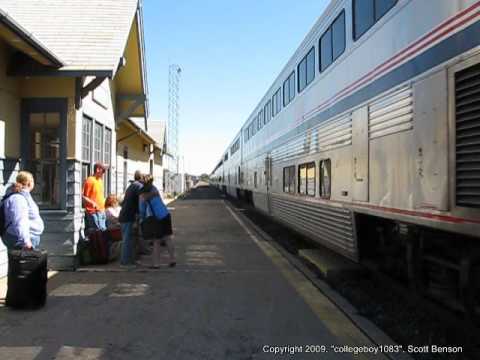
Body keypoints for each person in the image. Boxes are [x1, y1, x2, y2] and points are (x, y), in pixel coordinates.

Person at [139, 174, 175, 268]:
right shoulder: (155, 189)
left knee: (156, 241)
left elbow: (142, 210)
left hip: (156, 218)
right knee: (167, 238)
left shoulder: (143, 193)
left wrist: (142, 219)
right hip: (165, 214)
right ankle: (172, 259)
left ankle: (156, 264)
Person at [2, 171, 44, 250]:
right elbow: (20, 220)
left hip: (25, 237)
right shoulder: (18, 198)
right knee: (22, 262)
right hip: (22, 240)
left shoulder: (24, 195)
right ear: (29, 183)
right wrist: (26, 241)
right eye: (33, 180)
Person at [119, 170, 143, 266]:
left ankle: (131, 260)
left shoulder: (131, 186)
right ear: (141, 178)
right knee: (127, 239)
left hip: (125, 215)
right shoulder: (138, 187)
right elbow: (141, 201)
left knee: (130, 239)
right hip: (128, 216)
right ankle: (125, 262)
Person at [82, 163, 107, 232]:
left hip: (102, 211)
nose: (104, 173)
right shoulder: (90, 180)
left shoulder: (100, 181)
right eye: (103, 171)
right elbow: (83, 197)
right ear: (97, 169)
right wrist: (92, 203)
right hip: (93, 212)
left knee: (103, 232)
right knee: (97, 233)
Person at [104, 194, 122, 261]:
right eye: (115, 200)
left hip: (117, 228)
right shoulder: (108, 210)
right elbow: (114, 219)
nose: (116, 202)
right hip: (113, 230)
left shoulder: (119, 208)